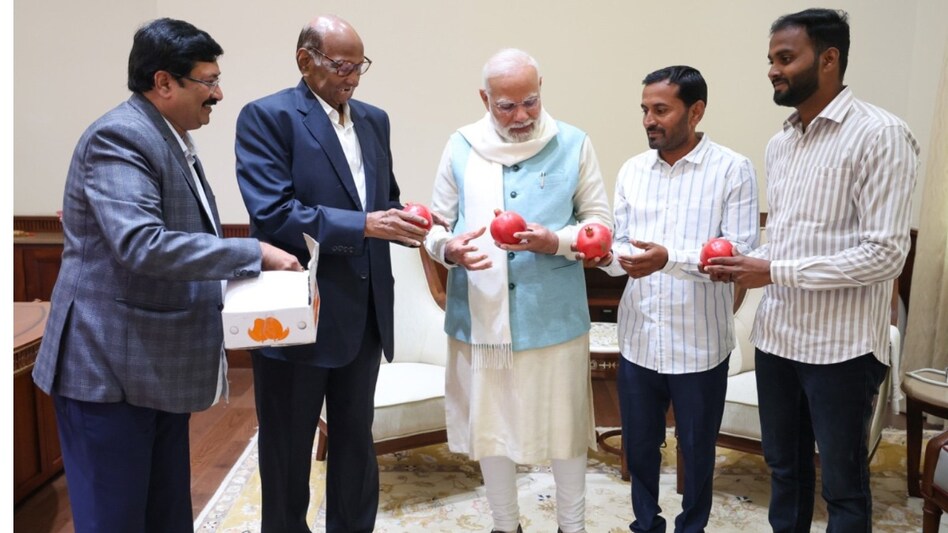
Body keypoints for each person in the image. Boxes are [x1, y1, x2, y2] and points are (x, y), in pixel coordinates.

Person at [30, 18, 302, 533]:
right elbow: (142, 244)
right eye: (207, 80)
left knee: (165, 516)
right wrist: (254, 253)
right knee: (116, 520)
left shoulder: (167, 134)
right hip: (108, 371)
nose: (218, 94)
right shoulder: (120, 136)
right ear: (163, 82)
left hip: (153, 369)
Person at [705, 8, 919, 532]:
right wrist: (740, 264)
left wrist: (774, 271)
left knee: (844, 487)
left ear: (829, 59)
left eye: (785, 57)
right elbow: (786, 237)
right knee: (785, 472)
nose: (773, 70)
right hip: (777, 340)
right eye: (771, 60)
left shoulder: (882, 135)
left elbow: (886, 254)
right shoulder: (782, 143)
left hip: (840, 349)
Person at [234, 14, 430, 533]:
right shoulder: (267, 117)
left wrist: (409, 218)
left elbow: (380, 199)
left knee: (355, 445)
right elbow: (274, 214)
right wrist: (365, 224)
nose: (354, 78)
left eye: (359, 66)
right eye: (342, 66)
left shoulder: (374, 119)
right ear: (305, 60)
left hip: (364, 316)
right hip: (298, 312)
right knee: (287, 451)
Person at [424, 48, 612, 533]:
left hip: (554, 317)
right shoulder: (461, 145)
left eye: (530, 101)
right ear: (484, 98)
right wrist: (450, 250)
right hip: (481, 318)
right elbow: (435, 225)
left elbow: (600, 221)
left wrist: (558, 240)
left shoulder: (573, 142)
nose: (522, 116)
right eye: (506, 106)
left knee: (565, 429)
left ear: (541, 88)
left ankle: (572, 525)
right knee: (492, 431)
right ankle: (505, 525)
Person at [598, 66, 759, 533]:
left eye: (661, 110)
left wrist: (669, 259)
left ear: (696, 110)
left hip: (700, 343)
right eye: (645, 110)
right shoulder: (632, 170)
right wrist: (604, 254)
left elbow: (740, 252)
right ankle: (645, 523)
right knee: (641, 446)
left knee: (697, 445)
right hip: (640, 338)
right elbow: (623, 247)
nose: (649, 119)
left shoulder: (732, 169)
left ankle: (693, 525)